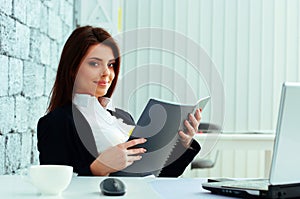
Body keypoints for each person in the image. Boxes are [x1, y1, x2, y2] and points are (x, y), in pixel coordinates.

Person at [37, 25, 202, 177]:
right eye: (94, 64)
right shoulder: (56, 122)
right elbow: (54, 185)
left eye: (110, 65)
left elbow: (160, 176)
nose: (106, 73)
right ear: (73, 69)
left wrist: (183, 142)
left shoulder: (124, 118)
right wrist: (98, 168)